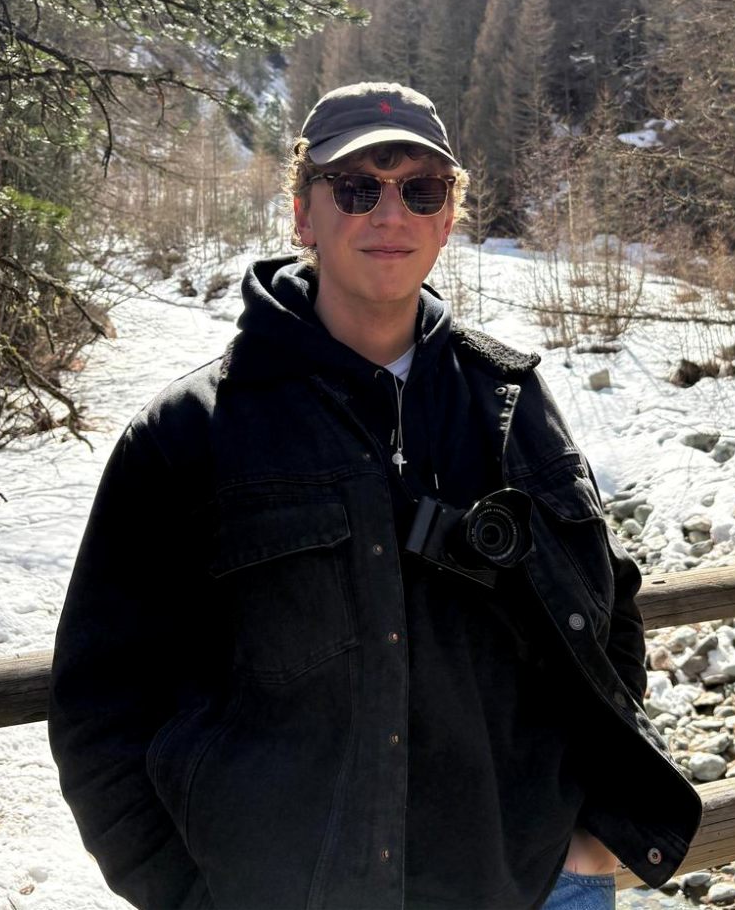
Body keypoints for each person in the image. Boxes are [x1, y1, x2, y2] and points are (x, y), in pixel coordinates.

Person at [48, 82, 701, 910]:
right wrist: (188, 896)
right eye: (357, 188)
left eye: (420, 190)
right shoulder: (191, 433)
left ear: (448, 217)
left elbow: (608, 608)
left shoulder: (509, 401)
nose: (391, 214)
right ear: (303, 215)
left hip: (536, 884)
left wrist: (588, 834)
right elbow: (102, 706)